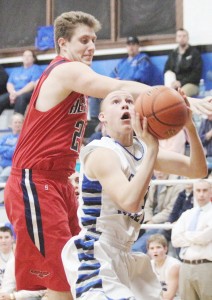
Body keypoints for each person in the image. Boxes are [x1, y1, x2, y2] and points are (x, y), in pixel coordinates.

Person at [4, 11, 211, 300]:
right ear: (63, 44)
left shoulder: (80, 87)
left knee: (72, 279)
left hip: (60, 183)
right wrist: (178, 100)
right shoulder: (66, 70)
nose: (91, 46)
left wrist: (183, 121)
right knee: (61, 283)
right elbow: (116, 86)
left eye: (94, 40)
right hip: (36, 181)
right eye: (84, 40)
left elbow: (197, 169)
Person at [62, 89, 207, 300]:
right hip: (96, 253)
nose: (124, 104)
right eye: (116, 101)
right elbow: (130, 202)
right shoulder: (101, 152)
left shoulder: (142, 151)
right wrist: (153, 149)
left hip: (126, 254)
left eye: (130, 101)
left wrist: (189, 127)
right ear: (102, 118)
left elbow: (198, 170)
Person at [171, 180, 212, 300]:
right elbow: (175, 240)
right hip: (186, 266)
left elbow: (205, 237)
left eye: (205, 190)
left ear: (211, 192)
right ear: (194, 192)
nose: (201, 194)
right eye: (198, 190)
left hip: (206, 265)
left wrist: (186, 235)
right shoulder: (187, 214)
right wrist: (196, 236)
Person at [132, 170, 183, 253]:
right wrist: (148, 220)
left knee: (140, 246)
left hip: (167, 221)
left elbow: (171, 210)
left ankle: (136, 252)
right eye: (156, 170)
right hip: (150, 221)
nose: (159, 173)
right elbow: (146, 205)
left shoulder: (178, 184)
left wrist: (153, 221)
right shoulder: (152, 183)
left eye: (161, 170)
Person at [0, 50, 42, 116]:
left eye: (29, 56)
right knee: (1, 99)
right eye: (24, 56)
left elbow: (32, 84)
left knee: (21, 98)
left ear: (33, 58)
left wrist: (17, 93)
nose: (26, 57)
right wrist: (12, 93)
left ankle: (17, 122)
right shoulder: (16, 70)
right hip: (14, 92)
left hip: (28, 93)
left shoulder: (36, 69)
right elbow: (9, 83)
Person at [164, 28, 202, 97]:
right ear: (176, 39)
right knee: (167, 95)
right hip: (175, 83)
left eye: (184, 36)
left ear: (188, 38)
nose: (182, 38)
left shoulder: (194, 53)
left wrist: (181, 83)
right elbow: (166, 70)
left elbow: (196, 74)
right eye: (179, 36)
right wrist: (173, 82)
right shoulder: (173, 54)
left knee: (180, 95)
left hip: (191, 84)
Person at [147, 234, 181, 300]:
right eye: (152, 248)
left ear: (165, 249)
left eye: (158, 247)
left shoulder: (174, 265)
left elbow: (169, 297)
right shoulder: (149, 265)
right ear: (148, 251)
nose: (155, 251)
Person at [0, 113, 24, 183]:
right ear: (11, 125)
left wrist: (5, 150)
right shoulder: (5, 137)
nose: (17, 124)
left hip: (13, 166)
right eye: (15, 122)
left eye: (19, 122)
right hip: (1, 164)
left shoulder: (23, 138)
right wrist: (10, 149)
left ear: (23, 124)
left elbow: (14, 152)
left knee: (1, 179)